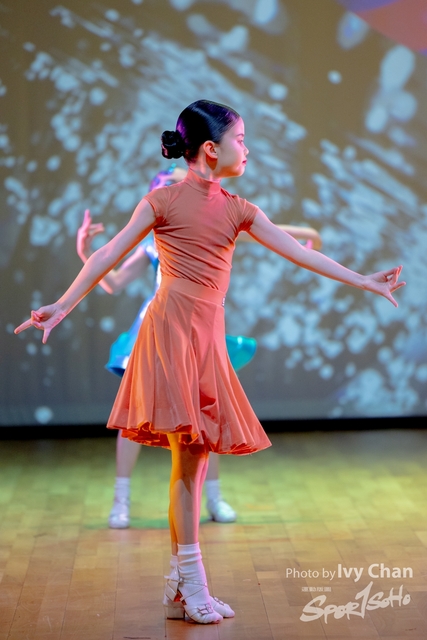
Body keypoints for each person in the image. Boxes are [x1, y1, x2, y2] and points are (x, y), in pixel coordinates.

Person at [15, 99, 404, 624]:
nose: (248, 148)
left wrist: (363, 280)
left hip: (206, 337)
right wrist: (62, 306)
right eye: (240, 139)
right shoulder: (162, 201)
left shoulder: (240, 209)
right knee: (191, 454)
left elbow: (301, 252)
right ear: (211, 149)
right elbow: (110, 255)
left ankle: (182, 588)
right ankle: (191, 585)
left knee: (193, 460)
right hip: (170, 332)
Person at [77, 165, 322, 529]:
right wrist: (85, 250)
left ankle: (214, 498)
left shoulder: (214, 220)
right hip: (158, 328)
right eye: (170, 184)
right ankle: (121, 500)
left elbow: (262, 230)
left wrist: (306, 235)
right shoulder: (152, 235)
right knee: (136, 415)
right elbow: (112, 281)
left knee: (204, 414)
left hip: (198, 329)